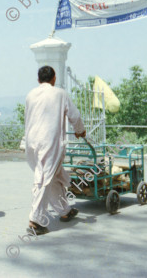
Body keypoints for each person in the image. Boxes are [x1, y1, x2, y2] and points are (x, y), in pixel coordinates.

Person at [24, 65, 86, 235]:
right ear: (54, 78)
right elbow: (75, 116)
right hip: (48, 141)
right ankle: (35, 220)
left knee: (53, 176)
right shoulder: (60, 94)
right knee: (44, 177)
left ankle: (65, 211)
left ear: (38, 80)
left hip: (31, 141)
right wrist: (80, 130)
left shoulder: (30, 95)